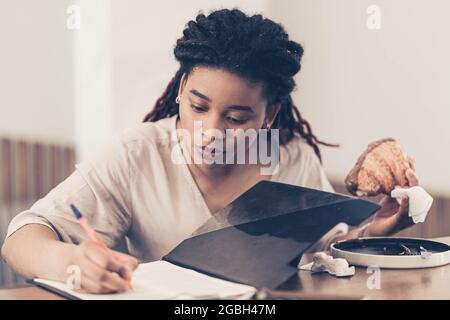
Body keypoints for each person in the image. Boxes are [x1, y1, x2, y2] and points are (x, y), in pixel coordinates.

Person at [1, 9, 418, 294]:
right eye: (198, 107)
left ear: (269, 115)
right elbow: (21, 239)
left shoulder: (290, 158)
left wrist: (371, 233)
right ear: (181, 90)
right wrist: (70, 261)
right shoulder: (139, 154)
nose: (209, 132)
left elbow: (323, 253)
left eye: (236, 118)